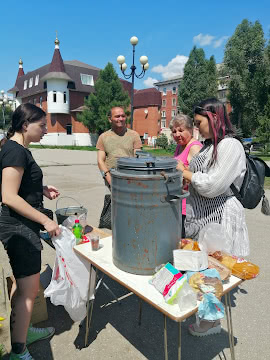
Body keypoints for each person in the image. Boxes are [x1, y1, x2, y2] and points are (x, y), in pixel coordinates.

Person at [176, 98, 249, 336]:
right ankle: (207, 316)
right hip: (204, 215)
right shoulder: (208, 145)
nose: (196, 128)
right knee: (204, 269)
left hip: (221, 214)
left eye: (198, 123)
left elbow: (213, 185)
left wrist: (185, 172)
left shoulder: (230, 145)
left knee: (213, 270)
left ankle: (211, 324)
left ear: (214, 118)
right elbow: (202, 176)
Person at [0, 103, 61, 360]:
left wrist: (41, 188)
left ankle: (21, 333)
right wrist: (45, 221)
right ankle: (19, 351)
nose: (46, 129)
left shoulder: (18, 148)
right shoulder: (15, 151)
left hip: (20, 225)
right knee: (29, 292)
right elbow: (9, 197)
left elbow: (18, 183)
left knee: (23, 286)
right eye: (42, 125)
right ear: (25, 125)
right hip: (19, 227)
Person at [169, 115, 202, 237]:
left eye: (181, 130)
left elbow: (199, 176)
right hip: (179, 202)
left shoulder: (194, 148)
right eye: (174, 131)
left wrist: (183, 171)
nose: (177, 134)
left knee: (184, 240)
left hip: (189, 205)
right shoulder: (179, 146)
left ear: (190, 129)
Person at [96, 106, 142, 186]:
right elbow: (100, 161)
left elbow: (139, 158)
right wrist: (110, 181)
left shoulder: (134, 135)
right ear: (110, 119)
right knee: (111, 198)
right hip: (111, 179)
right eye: (117, 116)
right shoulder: (103, 137)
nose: (121, 119)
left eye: (123, 116)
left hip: (130, 179)